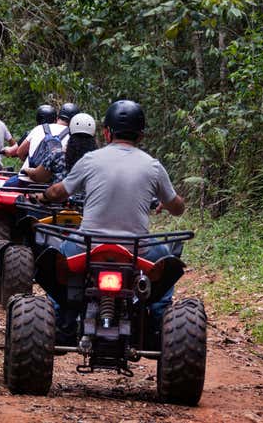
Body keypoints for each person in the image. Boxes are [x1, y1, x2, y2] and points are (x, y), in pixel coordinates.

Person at [35, 99, 185, 345]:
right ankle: (157, 325)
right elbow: (177, 208)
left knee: (57, 264)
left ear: (106, 133)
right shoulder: (153, 166)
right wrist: (169, 202)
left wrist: (44, 196)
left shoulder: (90, 160)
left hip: (87, 246)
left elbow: (59, 192)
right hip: (137, 249)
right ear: (141, 136)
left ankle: (62, 322)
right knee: (167, 266)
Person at [2, 102, 78, 187]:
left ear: (57, 117)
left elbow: (20, 152)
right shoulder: (74, 138)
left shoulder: (39, 128)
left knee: (4, 187)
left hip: (26, 180)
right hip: (51, 185)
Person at [23, 112, 97, 185]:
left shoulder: (58, 155)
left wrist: (26, 170)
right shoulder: (97, 159)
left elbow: (37, 176)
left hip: (60, 192)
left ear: (70, 133)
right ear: (93, 135)